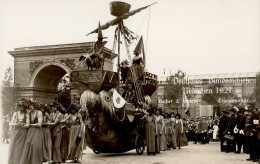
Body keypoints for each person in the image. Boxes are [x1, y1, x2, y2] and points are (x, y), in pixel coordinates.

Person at [8, 100, 30, 164]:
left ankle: (19, 162)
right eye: (20, 107)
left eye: (23, 107)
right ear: (18, 107)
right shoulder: (15, 113)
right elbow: (11, 123)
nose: (21, 108)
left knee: (19, 148)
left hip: (23, 132)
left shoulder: (27, 114)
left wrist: (23, 125)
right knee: (12, 146)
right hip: (15, 131)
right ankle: (12, 162)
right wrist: (17, 124)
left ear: (25, 108)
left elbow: (27, 125)